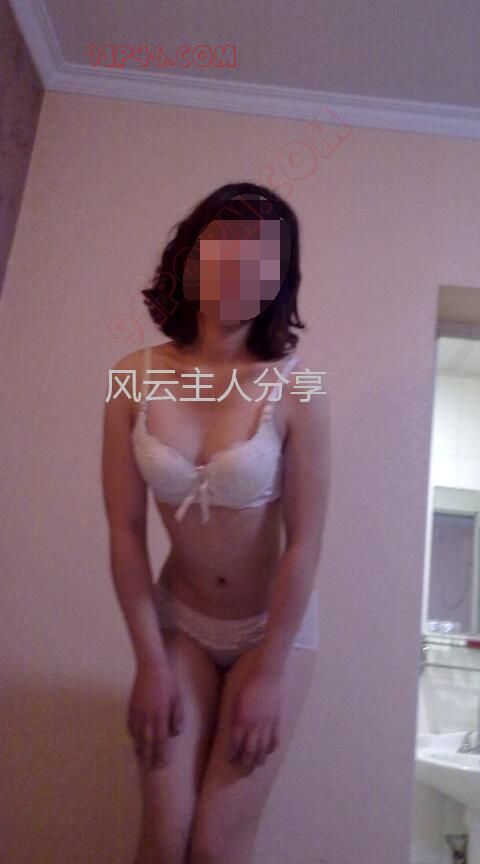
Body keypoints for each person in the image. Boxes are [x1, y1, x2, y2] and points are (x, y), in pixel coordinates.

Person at [101, 181, 331, 864]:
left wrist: (271, 673)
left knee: (215, 846)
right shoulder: (131, 377)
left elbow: (306, 541)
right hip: (180, 625)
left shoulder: (300, 386)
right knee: (165, 837)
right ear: (191, 257)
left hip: (272, 629)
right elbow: (124, 532)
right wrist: (148, 661)